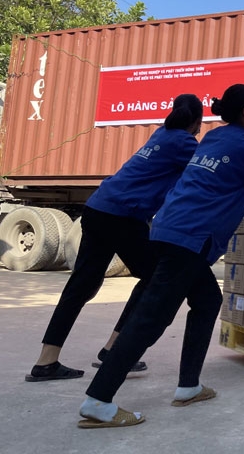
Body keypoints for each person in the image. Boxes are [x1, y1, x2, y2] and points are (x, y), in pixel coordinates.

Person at [77, 83, 244, 429]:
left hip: (171, 230)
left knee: (208, 300)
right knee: (151, 318)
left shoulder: (213, 139)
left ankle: (189, 385)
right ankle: (99, 400)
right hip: (189, 238)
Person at [26, 94, 204, 382]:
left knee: (81, 286)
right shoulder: (184, 143)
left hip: (98, 207)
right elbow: (217, 168)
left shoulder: (162, 134)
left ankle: (46, 361)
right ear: (197, 121)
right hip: (123, 215)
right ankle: (114, 349)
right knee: (155, 277)